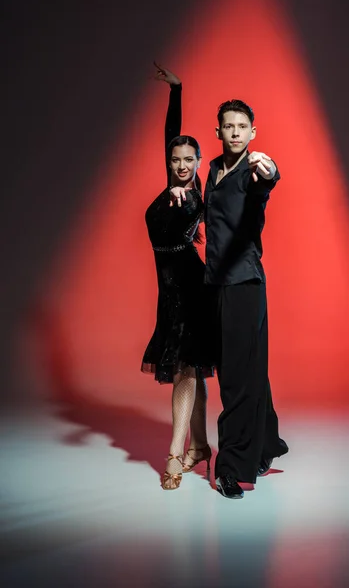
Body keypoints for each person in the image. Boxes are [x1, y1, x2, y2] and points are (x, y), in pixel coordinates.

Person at [204, 98, 289, 499]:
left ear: (252, 132)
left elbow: (265, 185)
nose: (235, 132)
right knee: (251, 371)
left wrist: (270, 172)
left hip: (244, 284)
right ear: (218, 132)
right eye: (229, 126)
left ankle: (232, 466)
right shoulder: (214, 170)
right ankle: (264, 446)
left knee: (236, 378)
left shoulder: (253, 170)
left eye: (242, 126)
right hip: (220, 284)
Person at [141, 63, 214, 490]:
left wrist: (182, 198)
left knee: (187, 370)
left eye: (190, 159)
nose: (183, 164)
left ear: (199, 162)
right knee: (194, 369)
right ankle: (201, 446)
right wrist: (177, 89)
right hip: (168, 292)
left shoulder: (192, 195)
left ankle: (174, 454)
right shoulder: (171, 180)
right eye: (176, 158)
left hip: (191, 289)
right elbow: (173, 131)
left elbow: (191, 212)